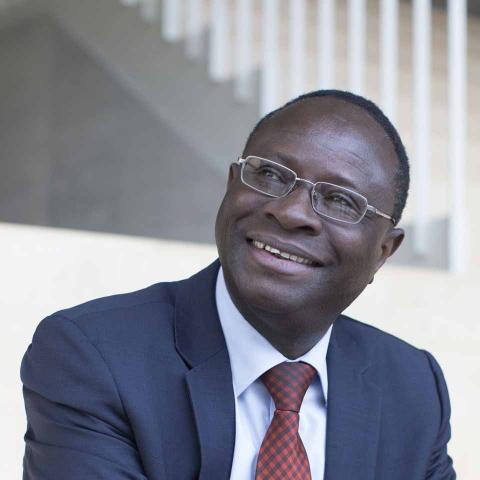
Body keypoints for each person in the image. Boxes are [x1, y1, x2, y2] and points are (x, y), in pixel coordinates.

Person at [21, 90, 456, 479]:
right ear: (232, 186)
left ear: (383, 251)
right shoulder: (94, 356)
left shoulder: (413, 389)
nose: (290, 213)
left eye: (340, 200)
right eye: (270, 175)